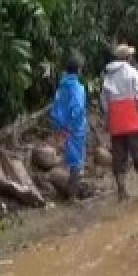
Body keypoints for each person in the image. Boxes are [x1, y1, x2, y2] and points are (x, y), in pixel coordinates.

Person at [101, 44, 138, 203]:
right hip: (133, 118)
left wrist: (108, 117)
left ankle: (121, 191)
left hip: (116, 121)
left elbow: (104, 100)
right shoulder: (132, 72)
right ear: (128, 58)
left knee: (119, 156)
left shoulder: (107, 75)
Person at [49, 51, 90, 199]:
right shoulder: (77, 88)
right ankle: (72, 197)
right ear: (79, 70)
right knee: (76, 162)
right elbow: (78, 109)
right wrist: (74, 127)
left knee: (69, 159)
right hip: (73, 129)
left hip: (60, 126)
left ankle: (69, 191)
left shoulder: (62, 86)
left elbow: (57, 107)